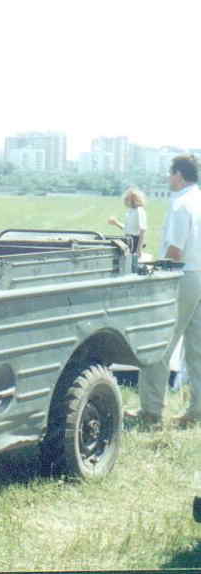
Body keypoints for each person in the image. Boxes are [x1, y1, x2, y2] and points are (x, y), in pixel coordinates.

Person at [128, 154, 201, 427]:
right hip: (199, 274)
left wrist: (158, 275)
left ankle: (151, 411)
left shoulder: (181, 204)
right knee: (196, 348)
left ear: (179, 175)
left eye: (170, 174)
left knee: (159, 343)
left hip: (182, 276)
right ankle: (197, 411)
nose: (168, 178)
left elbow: (174, 250)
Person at [107, 186, 147, 266]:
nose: (125, 201)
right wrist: (116, 223)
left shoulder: (139, 211)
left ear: (134, 199)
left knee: (131, 265)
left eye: (127, 199)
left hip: (135, 241)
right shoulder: (130, 211)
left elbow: (142, 231)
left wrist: (139, 249)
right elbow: (128, 229)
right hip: (128, 240)